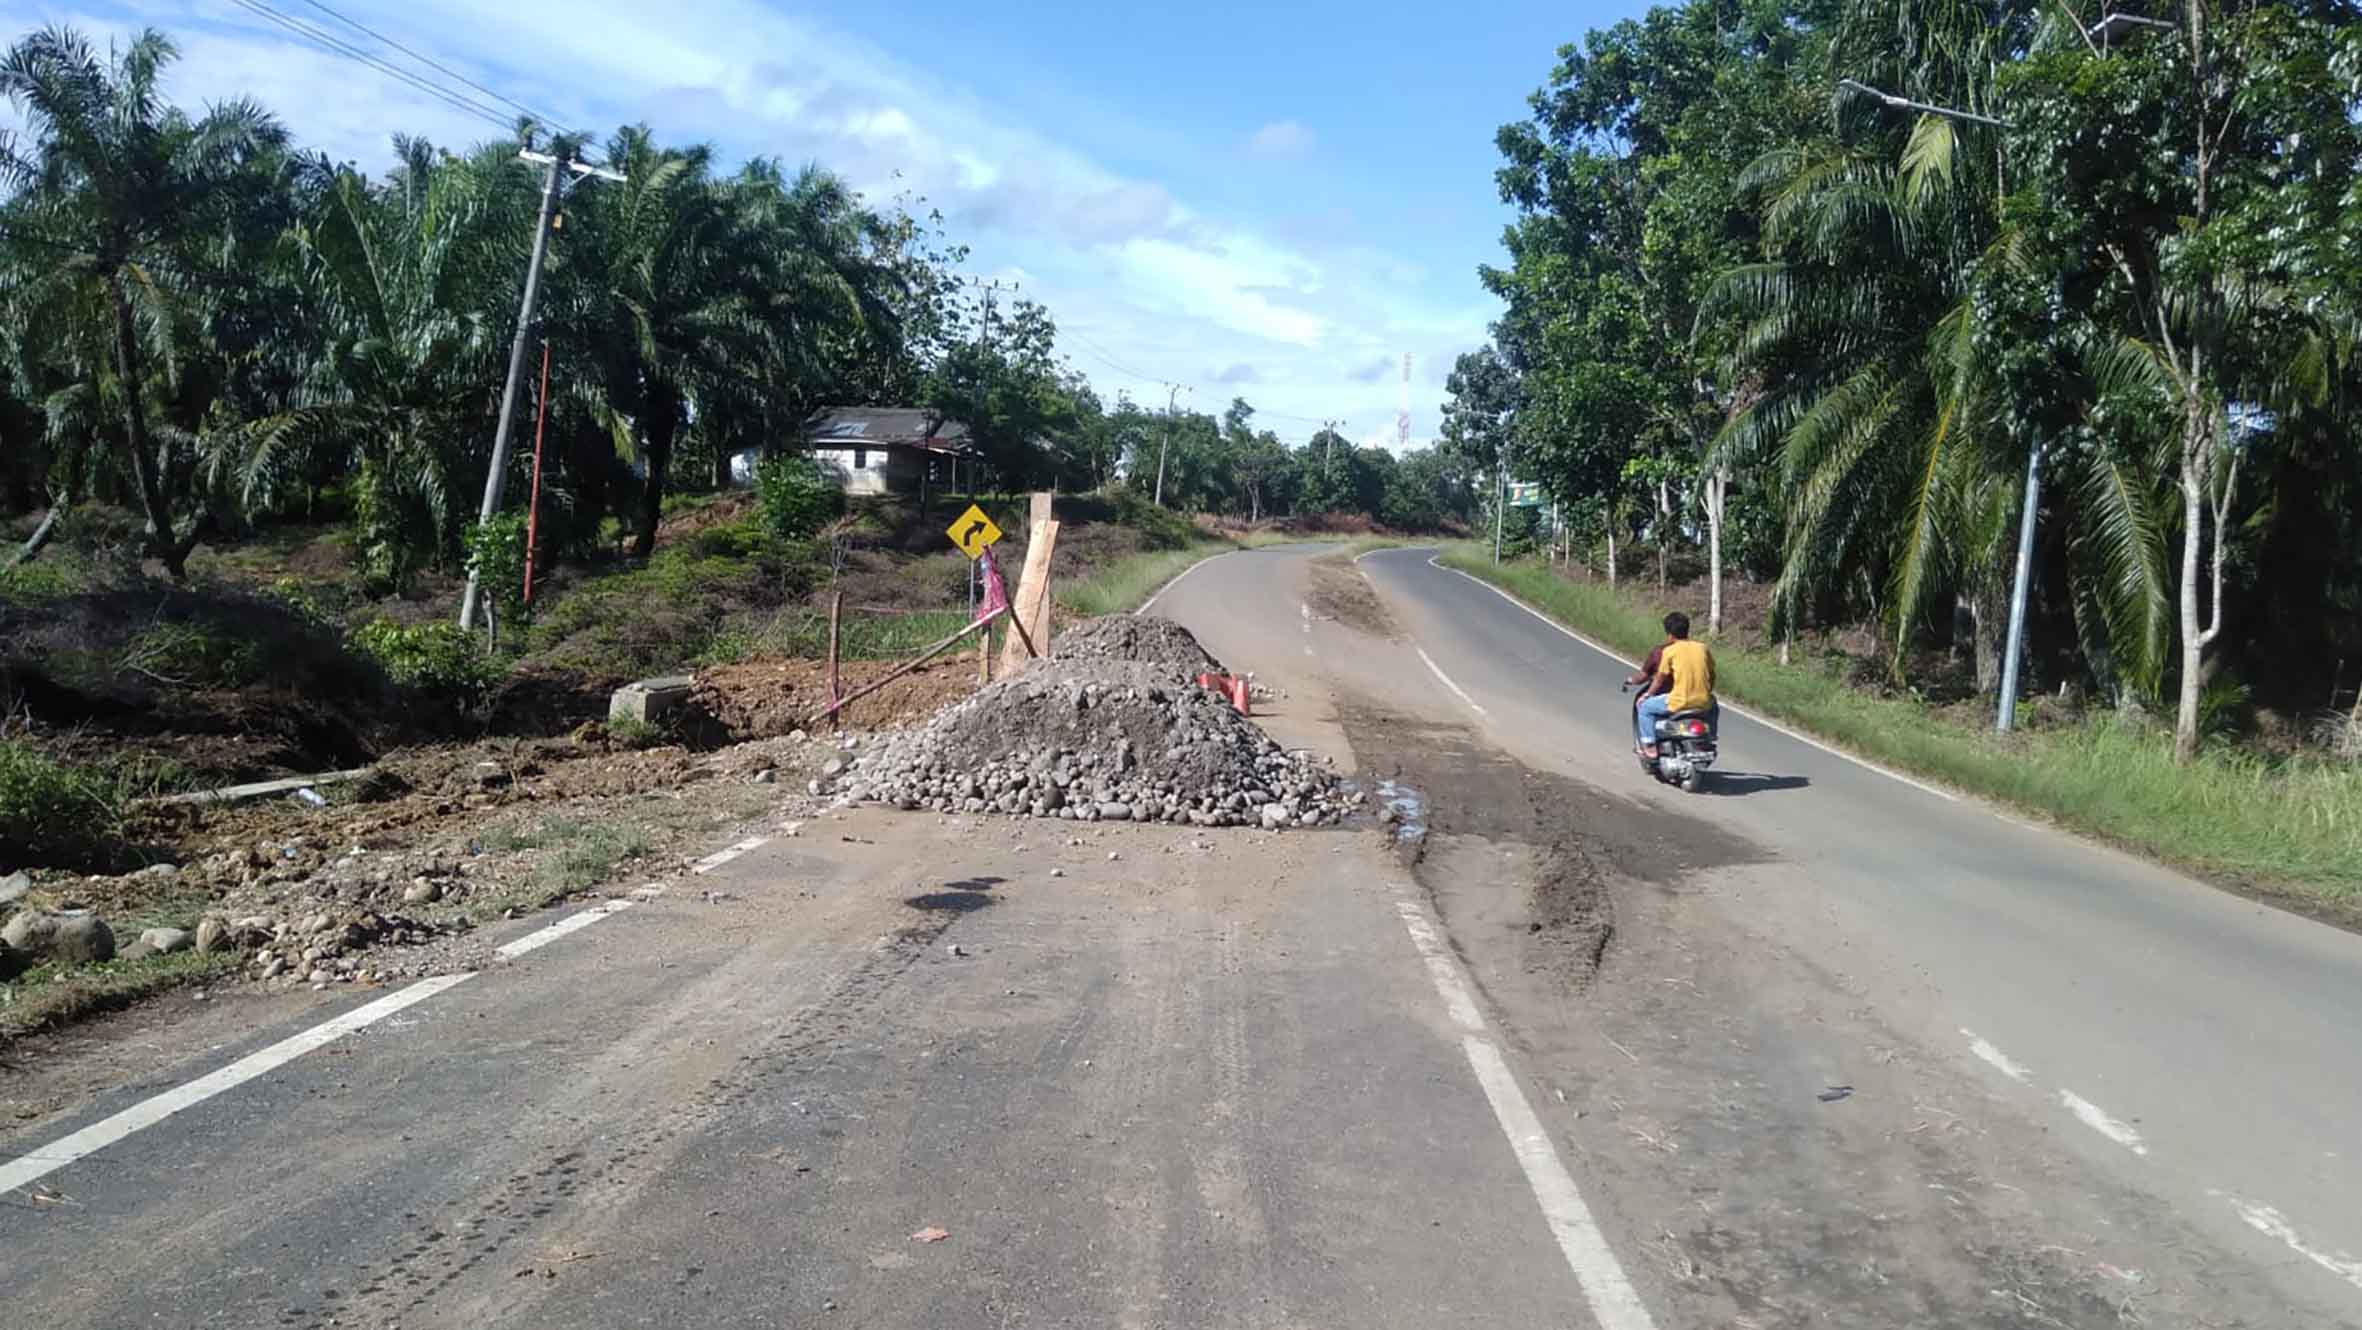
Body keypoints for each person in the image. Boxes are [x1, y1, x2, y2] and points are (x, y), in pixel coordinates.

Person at [1634, 612, 1717, 756]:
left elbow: (1659, 679)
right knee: (1714, 705)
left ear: (1669, 635)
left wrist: (1647, 695)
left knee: (1644, 708)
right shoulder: (1703, 648)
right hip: (1703, 702)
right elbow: (1712, 674)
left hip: (1678, 702)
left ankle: (1649, 745)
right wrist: (1707, 692)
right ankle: (1711, 736)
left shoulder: (1669, 651)